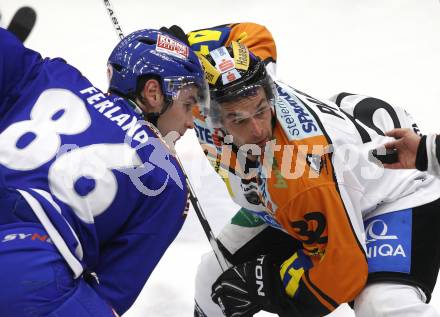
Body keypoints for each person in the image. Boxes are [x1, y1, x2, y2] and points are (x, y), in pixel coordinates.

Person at [182, 23, 440, 317]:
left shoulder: (299, 178)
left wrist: (268, 287)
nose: (257, 130)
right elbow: (251, 33)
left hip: (393, 195)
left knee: (382, 305)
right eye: (238, 120)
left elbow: (344, 271)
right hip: (316, 190)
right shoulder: (207, 86)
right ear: (209, 115)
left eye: (261, 111)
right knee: (212, 277)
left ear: (268, 95)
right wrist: (172, 48)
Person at [0, 27, 207, 316]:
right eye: (188, 105)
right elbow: (108, 296)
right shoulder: (166, 177)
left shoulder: (54, 73)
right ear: (153, 92)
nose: (190, 123)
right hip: (27, 267)